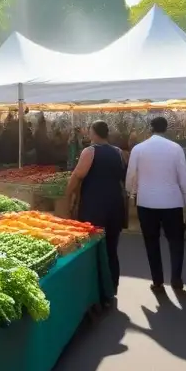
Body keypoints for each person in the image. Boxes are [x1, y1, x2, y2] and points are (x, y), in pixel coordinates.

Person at [127, 116, 186, 292]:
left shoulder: (139, 149)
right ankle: (176, 277)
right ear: (166, 128)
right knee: (176, 241)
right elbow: (183, 177)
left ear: (150, 128)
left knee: (151, 241)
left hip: (146, 200)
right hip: (172, 201)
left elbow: (131, 174)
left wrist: (131, 192)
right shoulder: (176, 148)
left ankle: (157, 280)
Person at [64, 121, 125, 294]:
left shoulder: (90, 151)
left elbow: (77, 175)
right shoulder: (118, 152)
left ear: (94, 133)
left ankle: (96, 289)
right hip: (115, 203)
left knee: (93, 246)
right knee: (112, 247)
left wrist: (68, 195)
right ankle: (113, 285)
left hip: (95, 204)